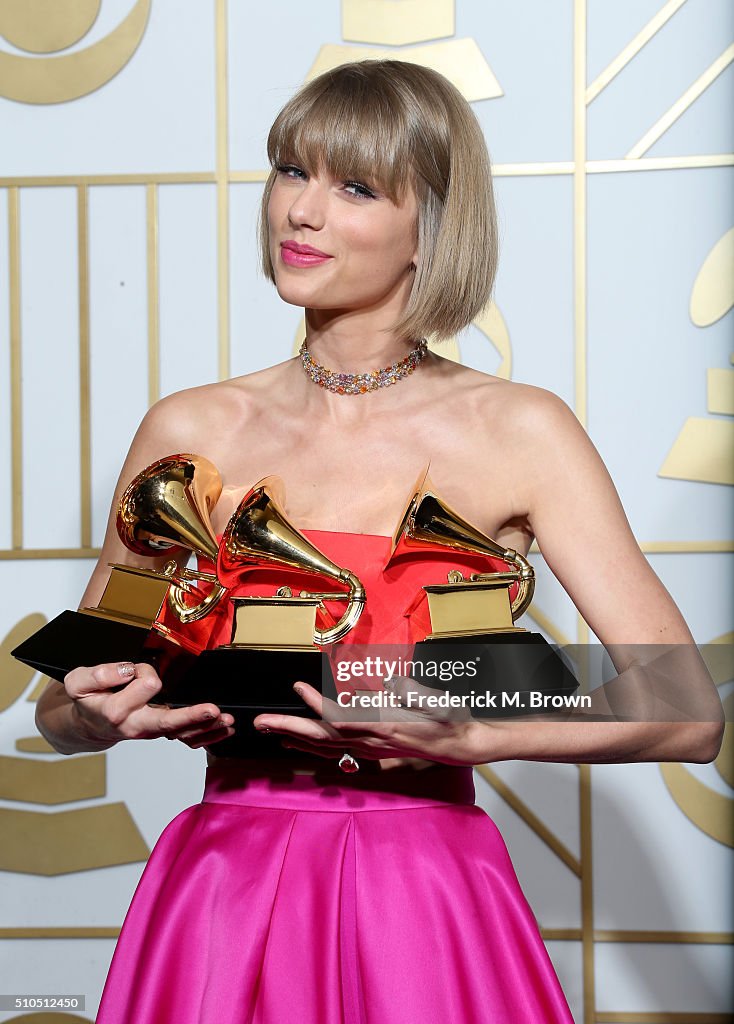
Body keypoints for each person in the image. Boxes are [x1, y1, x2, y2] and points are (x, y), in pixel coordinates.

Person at [35, 60, 722, 1023]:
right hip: (222, 893)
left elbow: (686, 708)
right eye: (288, 172)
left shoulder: (518, 430)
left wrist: (485, 732)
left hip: (424, 895)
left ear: (429, 227)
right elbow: (58, 706)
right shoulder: (189, 429)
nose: (300, 212)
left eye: (354, 186)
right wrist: (92, 716)